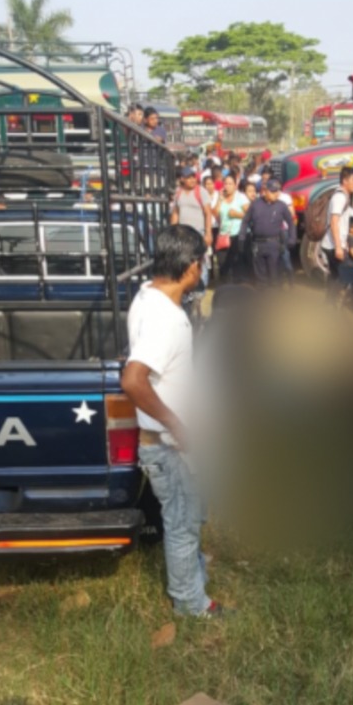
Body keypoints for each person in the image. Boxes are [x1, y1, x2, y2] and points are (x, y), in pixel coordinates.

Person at [121, 225, 229, 618]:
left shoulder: (148, 296)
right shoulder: (164, 319)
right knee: (181, 524)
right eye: (202, 262)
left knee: (190, 515)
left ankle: (193, 568)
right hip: (170, 446)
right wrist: (176, 424)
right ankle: (191, 602)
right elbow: (133, 379)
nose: (204, 269)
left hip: (174, 443)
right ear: (190, 267)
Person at [239, 178, 295, 284]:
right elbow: (245, 221)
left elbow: (291, 222)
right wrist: (242, 237)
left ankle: (275, 293)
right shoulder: (255, 204)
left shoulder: (281, 206)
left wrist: (292, 238)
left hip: (274, 244)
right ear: (265, 191)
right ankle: (263, 294)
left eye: (277, 191)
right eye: (273, 191)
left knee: (275, 277)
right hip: (258, 245)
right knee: (261, 278)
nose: (276, 194)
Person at [170, 167, 213, 285]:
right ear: (182, 179)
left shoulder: (201, 191)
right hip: (183, 234)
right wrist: (172, 232)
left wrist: (208, 233)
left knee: (200, 261)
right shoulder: (178, 193)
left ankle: (201, 287)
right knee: (186, 261)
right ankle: (190, 286)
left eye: (194, 177)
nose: (192, 180)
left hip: (198, 233)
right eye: (189, 178)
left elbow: (208, 213)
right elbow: (175, 213)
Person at [321, 165, 353, 279]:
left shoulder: (343, 196)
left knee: (336, 278)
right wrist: (338, 247)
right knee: (347, 278)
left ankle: (332, 291)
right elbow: (334, 222)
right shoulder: (340, 197)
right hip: (333, 246)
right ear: (345, 181)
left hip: (334, 245)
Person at [215, 172, 249, 282]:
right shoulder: (221, 197)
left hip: (237, 235)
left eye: (230, 184)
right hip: (223, 235)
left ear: (235, 185)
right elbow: (215, 214)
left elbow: (250, 215)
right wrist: (220, 199)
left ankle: (237, 286)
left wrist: (237, 214)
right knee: (222, 263)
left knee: (237, 264)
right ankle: (225, 286)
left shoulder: (240, 197)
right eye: (226, 183)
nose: (228, 186)